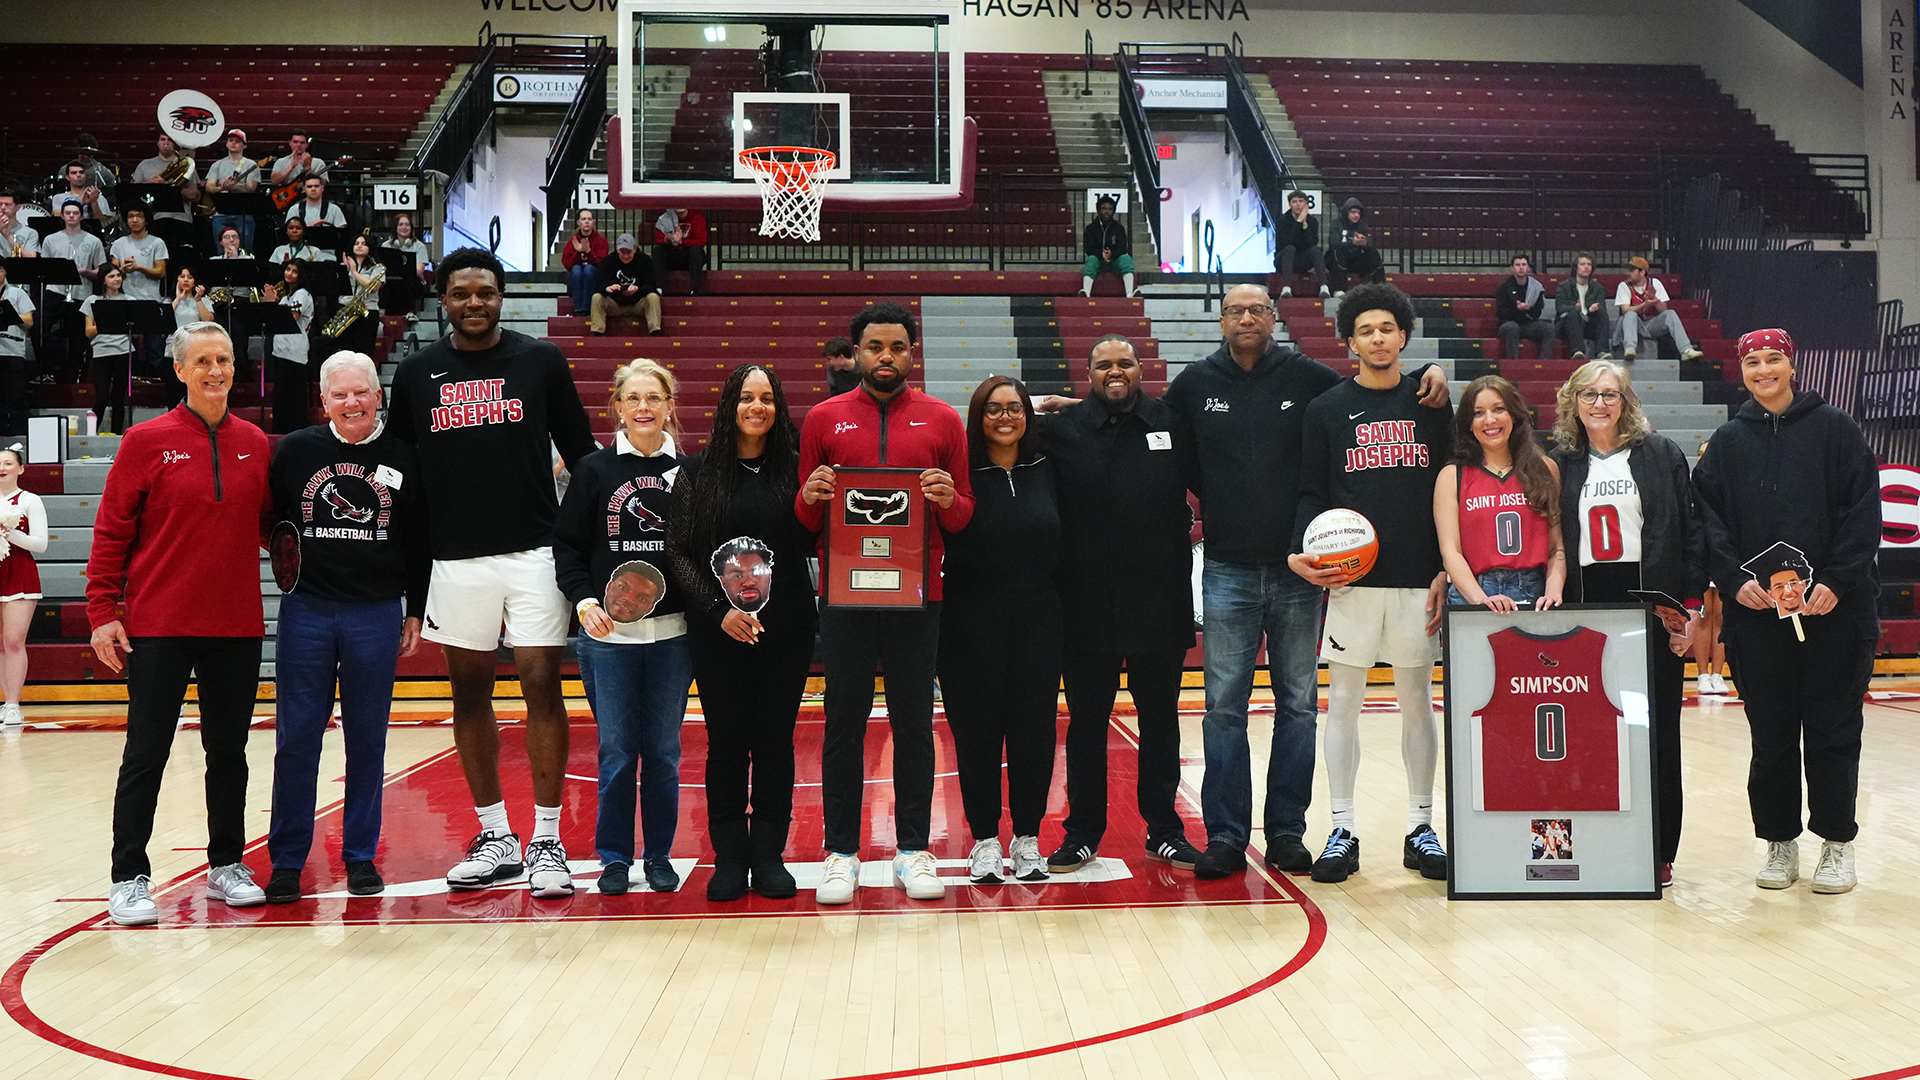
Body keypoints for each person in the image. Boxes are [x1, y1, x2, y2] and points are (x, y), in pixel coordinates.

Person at [1161, 282, 1448, 878]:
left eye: (1257, 310)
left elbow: (1379, 387)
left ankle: (1289, 832)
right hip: (1227, 567)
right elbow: (1167, 448)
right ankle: (1226, 836)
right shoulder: (1194, 384)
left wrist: (1435, 372)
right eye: (1235, 310)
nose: (1246, 318)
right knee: (1223, 708)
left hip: (1305, 574)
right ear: (1220, 321)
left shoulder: (1309, 381)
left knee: (1297, 707)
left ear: (1274, 318)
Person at [386, 247, 599, 899]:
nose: (474, 302)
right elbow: (403, 482)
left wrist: (592, 549)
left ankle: (547, 839)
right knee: (470, 694)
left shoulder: (541, 362)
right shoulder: (418, 373)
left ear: (501, 297)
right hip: (454, 560)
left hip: (534, 551)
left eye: (485, 291)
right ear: (443, 300)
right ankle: (494, 835)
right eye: (461, 293)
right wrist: (411, 588)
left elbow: (584, 456)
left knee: (540, 680)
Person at [89, 321, 272, 926]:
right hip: (158, 625)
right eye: (203, 361)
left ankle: (226, 864)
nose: (216, 370)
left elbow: (274, 527)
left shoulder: (256, 442)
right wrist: (100, 613)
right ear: (180, 370)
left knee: (230, 751)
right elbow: (112, 530)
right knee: (147, 750)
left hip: (237, 625)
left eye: (224, 358)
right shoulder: (145, 440)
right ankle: (129, 877)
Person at [795, 301, 973, 904]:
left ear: (911, 352)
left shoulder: (944, 420)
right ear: (856, 353)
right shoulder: (823, 419)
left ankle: (914, 849)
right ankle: (840, 851)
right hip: (843, 597)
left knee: (914, 724)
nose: (887, 357)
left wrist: (948, 497)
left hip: (921, 598)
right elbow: (803, 521)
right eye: (875, 347)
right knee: (842, 723)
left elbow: (964, 518)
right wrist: (811, 495)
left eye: (897, 347)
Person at [1692, 329, 1881, 895]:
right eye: (1753, 361)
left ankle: (1836, 844)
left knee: (1832, 731)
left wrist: (1837, 583)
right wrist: (1734, 580)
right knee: (1770, 736)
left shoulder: (1837, 430)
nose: (1763, 369)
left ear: (1791, 366)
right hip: (1758, 618)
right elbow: (1708, 521)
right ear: (1743, 369)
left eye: (1774, 359)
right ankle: (1779, 842)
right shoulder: (1726, 442)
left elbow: (1863, 513)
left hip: (1834, 615)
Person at [1289, 282, 1454, 884]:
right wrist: (1303, 549)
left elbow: (1453, 487)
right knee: (1344, 708)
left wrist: (1446, 565)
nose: (1378, 338)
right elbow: (1312, 491)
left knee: (1417, 704)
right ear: (1349, 340)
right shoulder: (1326, 410)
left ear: (1403, 336)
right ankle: (1342, 827)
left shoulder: (1433, 403)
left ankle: (1420, 824)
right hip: (1351, 582)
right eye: (1366, 330)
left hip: (1418, 580)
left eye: (1388, 328)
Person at [263, 350, 427, 902]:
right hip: (307, 610)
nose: (352, 403)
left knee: (367, 741)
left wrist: (414, 608)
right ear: (324, 400)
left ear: (378, 394)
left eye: (361, 392)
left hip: (376, 612)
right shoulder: (294, 451)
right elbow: (271, 520)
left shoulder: (405, 456)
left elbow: (420, 541)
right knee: (296, 741)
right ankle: (286, 859)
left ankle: (360, 856)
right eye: (340, 395)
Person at [1044, 334, 1202, 876]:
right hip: (1084, 604)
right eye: (1104, 364)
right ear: (1087, 374)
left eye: (1125, 363)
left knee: (1160, 720)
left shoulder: (1174, 423)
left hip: (1159, 599)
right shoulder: (1061, 431)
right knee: (1088, 721)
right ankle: (1082, 832)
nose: (1116, 371)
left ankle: (1165, 830)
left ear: (1140, 369)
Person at [1551, 359, 1707, 886]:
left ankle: (1659, 847)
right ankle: (1593, 843)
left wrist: (1689, 610)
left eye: (1610, 394)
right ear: (1573, 401)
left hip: (1651, 606)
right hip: (1585, 605)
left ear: (1627, 402)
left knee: (1655, 729)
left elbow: (1690, 535)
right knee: (1591, 730)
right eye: (1590, 394)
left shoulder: (1660, 454)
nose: (1600, 403)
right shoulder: (1559, 462)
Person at [666, 364, 816, 901]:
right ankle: (729, 857)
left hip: (786, 629)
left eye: (768, 398)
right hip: (718, 630)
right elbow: (679, 553)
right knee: (726, 743)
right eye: (747, 397)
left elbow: (813, 542)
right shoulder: (697, 472)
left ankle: (769, 855)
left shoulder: (797, 472)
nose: (758, 407)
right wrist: (716, 609)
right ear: (730, 405)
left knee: (776, 742)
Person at [555, 360, 693, 896]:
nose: (644, 408)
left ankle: (658, 855)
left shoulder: (690, 472)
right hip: (608, 640)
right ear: (617, 406)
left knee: (661, 751)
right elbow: (566, 547)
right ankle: (614, 858)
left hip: (673, 638)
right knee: (616, 751)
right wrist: (585, 600)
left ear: (669, 406)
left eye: (654, 398)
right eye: (633, 398)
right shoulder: (593, 470)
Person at [940, 375, 1062, 884]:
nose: (1006, 417)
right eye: (994, 409)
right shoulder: (958, 470)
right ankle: (986, 840)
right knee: (976, 734)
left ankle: (1029, 838)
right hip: (968, 621)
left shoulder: (1050, 465)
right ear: (977, 416)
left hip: (1040, 618)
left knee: (1034, 730)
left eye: (1015, 408)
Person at [1436, 375, 1566, 610]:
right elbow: (1451, 552)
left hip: (1533, 591)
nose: (1489, 420)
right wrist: (1481, 600)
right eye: (1478, 413)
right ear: (1468, 423)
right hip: (1472, 591)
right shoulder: (1452, 475)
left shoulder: (1545, 468)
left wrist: (1553, 591)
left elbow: (1556, 547)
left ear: (1514, 416)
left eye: (1499, 409)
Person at [0, 445, 48, 729]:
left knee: (13, 642)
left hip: (19, 574)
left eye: (8, 463)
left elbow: (40, 544)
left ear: (20, 468)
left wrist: (8, 532)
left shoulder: (30, 500)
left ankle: (13, 705)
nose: (2, 468)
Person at [40, 201, 106, 385]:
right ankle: (47, 370)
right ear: (62, 216)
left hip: (80, 293)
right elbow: (45, 268)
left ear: (82, 216)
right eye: (67, 213)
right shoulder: (50, 239)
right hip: (56, 291)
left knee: (78, 338)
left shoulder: (93, 241)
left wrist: (84, 271)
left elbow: (101, 272)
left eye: (75, 213)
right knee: (40, 326)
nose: (71, 216)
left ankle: (72, 375)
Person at [1615, 257, 1703, 362]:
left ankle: (1686, 350)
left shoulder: (1655, 283)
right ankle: (1630, 348)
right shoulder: (1624, 286)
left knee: (1670, 314)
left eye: (1631, 270)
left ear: (1642, 272)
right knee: (1630, 314)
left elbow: (1663, 309)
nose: (1628, 273)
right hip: (1630, 326)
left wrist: (1655, 300)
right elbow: (1625, 310)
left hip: (1650, 324)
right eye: (1627, 270)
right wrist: (1645, 304)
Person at [263, 260, 315, 434]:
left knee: (294, 399)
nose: (289, 273)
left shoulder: (302, 294)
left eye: (294, 271)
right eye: (287, 269)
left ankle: (297, 433)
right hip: (280, 351)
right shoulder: (286, 297)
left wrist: (271, 303)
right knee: (280, 399)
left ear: (301, 275)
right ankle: (280, 433)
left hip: (295, 353)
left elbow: (290, 318)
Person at [81, 265, 134, 434]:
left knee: (119, 397)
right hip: (101, 353)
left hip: (124, 352)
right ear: (103, 280)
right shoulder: (92, 300)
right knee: (102, 397)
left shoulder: (129, 301)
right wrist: (108, 321)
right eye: (112, 276)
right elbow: (88, 332)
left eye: (118, 275)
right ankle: (91, 434)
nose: (117, 279)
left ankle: (117, 435)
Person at [590, 234, 662, 336]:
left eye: (628, 252)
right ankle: (598, 331)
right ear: (617, 250)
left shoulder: (645, 261)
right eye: (622, 252)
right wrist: (607, 288)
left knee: (653, 297)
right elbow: (598, 285)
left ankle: (654, 330)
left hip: (638, 304)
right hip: (615, 304)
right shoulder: (608, 261)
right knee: (597, 297)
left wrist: (638, 289)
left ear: (635, 249)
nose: (625, 256)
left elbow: (651, 286)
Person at [205, 129, 262, 253]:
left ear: (244, 145)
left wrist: (234, 188)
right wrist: (222, 188)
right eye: (231, 140)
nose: (233, 143)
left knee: (245, 250)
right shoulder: (217, 165)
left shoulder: (251, 165)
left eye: (237, 141)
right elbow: (209, 187)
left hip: (243, 213)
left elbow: (251, 189)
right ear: (226, 143)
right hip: (220, 213)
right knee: (221, 250)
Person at [129, 133, 200, 231]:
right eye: (163, 140)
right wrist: (147, 184)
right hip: (152, 218)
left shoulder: (186, 165)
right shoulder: (145, 165)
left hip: (181, 218)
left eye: (170, 140)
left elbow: (193, 195)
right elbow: (132, 193)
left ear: (175, 143)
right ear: (157, 143)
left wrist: (166, 187)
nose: (166, 143)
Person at [167, 266, 213, 409]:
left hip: (197, 351)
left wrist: (198, 299)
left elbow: (209, 321)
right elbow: (164, 321)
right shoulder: (169, 301)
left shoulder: (204, 301)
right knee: (173, 394)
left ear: (195, 282)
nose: (186, 280)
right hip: (173, 351)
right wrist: (178, 299)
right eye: (182, 276)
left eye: (190, 277)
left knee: (194, 392)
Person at [1495, 254, 1555, 361]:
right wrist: (1516, 309)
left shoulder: (1536, 286)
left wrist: (1529, 309)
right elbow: (1501, 313)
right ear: (1512, 268)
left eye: (1524, 265)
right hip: (1508, 324)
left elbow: (1537, 312)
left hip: (1528, 324)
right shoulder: (1504, 287)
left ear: (1528, 268)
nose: (1521, 267)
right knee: (1512, 327)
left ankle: (1546, 361)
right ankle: (1512, 361)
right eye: (1518, 265)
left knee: (1548, 328)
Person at [1273, 190, 1328, 299]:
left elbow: (1312, 242)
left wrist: (1304, 224)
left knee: (1316, 250)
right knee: (1290, 248)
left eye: (1301, 201)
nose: (1298, 204)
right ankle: (1286, 288)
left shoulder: (1312, 221)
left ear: (1306, 204)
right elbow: (1286, 242)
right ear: (1290, 205)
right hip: (1284, 259)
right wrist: (1298, 223)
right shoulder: (1282, 220)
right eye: (1294, 202)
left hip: (1302, 259)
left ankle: (1324, 286)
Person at [1555, 254, 1609, 360]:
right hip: (1567, 324)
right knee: (1573, 314)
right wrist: (1575, 308)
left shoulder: (1597, 287)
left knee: (1602, 313)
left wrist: (1595, 308)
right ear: (1576, 267)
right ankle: (1577, 351)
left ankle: (1602, 351)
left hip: (1588, 323)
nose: (1586, 267)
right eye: (1583, 264)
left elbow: (1602, 306)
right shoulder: (1564, 286)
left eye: (1589, 264)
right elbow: (1560, 308)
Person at [1079, 195, 1136, 298]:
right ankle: (1086, 293)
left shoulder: (1118, 228)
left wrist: (1111, 255)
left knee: (1126, 259)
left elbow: (1122, 248)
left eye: (1109, 209)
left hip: (1114, 261)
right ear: (1098, 210)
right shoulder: (1091, 228)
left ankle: (1129, 294)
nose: (1106, 211)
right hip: (1098, 261)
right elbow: (1089, 249)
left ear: (1113, 211)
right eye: (1103, 208)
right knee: (1091, 260)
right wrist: (1102, 255)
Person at [336, 233, 382, 358]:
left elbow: (372, 287)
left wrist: (354, 272)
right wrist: (345, 270)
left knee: (364, 351)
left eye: (363, 244)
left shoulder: (377, 268)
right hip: (346, 309)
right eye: (356, 244)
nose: (359, 246)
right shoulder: (342, 266)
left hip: (367, 311)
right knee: (344, 352)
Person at [0, 263, 34, 431]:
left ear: (5, 271)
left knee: (16, 396)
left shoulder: (17, 293)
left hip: (12, 351)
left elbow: (29, 321)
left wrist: (8, 314)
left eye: (0, 269)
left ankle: (21, 432)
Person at [382, 213, 431, 320]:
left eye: (407, 225)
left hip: (414, 281)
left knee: (405, 281)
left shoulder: (419, 246)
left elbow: (419, 271)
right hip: (392, 280)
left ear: (411, 228)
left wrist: (404, 268)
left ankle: (410, 312)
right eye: (401, 225)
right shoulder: (386, 246)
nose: (404, 227)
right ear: (395, 228)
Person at [561, 210, 608, 316]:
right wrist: (578, 252)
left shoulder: (601, 240)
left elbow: (602, 264)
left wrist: (588, 252)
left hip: (594, 276)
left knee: (588, 270)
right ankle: (578, 308)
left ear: (593, 222)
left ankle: (586, 308)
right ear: (578, 222)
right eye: (583, 219)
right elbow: (567, 264)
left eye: (589, 219)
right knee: (576, 269)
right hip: (577, 277)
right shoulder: (573, 241)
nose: (586, 222)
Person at [652, 208, 707, 295]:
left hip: (688, 257)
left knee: (696, 250)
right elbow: (658, 239)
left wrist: (682, 242)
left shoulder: (698, 219)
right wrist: (666, 240)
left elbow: (701, 241)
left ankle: (695, 289)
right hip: (671, 255)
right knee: (657, 250)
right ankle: (658, 288)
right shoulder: (664, 218)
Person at [51, 162, 114, 226]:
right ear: (68, 177)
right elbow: (57, 216)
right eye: (74, 173)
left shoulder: (98, 197)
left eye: (81, 172)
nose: (78, 175)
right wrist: (81, 203)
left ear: (85, 175)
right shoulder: (58, 198)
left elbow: (102, 222)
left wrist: (94, 202)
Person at [1327, 226, 1385, 295]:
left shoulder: (1362, 226)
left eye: (1358, 214)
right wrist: (1352, 243)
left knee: (1374, 254)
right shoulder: (1337, 225)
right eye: (1353, 214)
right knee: (1337, 254)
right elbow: (1334, 245)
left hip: (1357, 260)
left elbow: (1371, 245)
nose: (1356, 215)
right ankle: (1339, 289)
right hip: (1341, 260)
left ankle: (1381, 287)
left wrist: (1364, 243)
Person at [0, 191, 39, 257]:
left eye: (7, 204)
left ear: (17, 207)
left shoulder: (30, 233)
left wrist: (8, 236)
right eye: (0, 204)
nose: (3, 207)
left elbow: (31, 257)